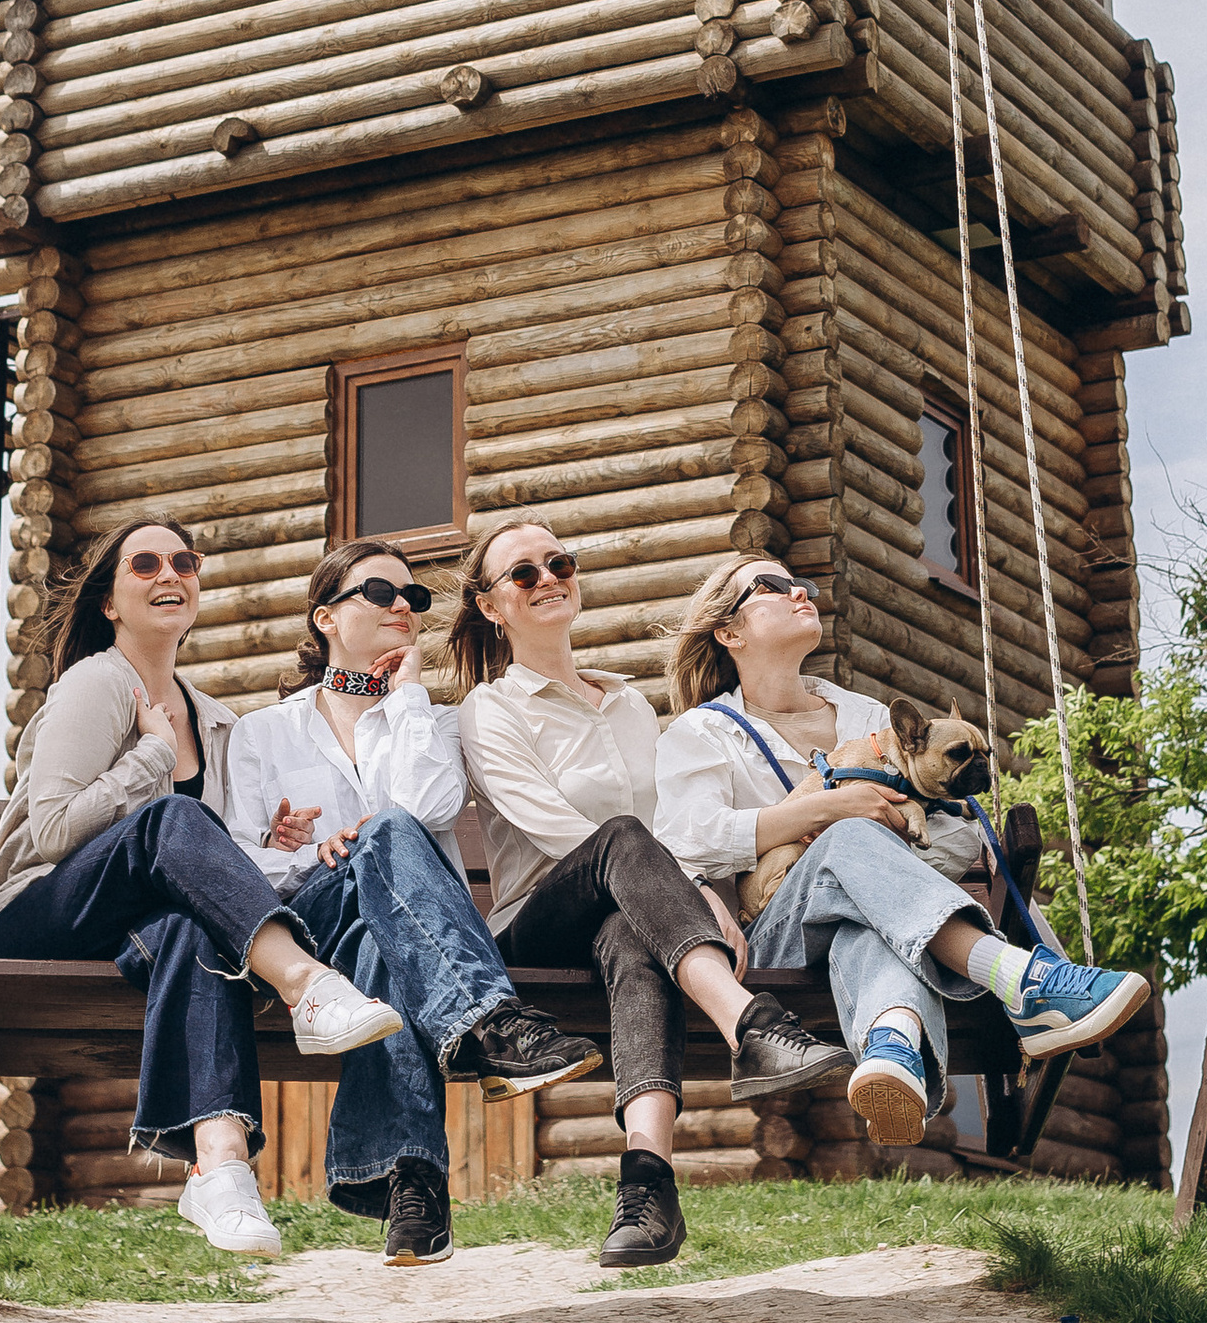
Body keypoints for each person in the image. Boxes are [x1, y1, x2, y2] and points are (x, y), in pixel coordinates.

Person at [0, 511, 403, 1260]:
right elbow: (51, 834)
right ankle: (307, 985)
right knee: (170, 817)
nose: (171, 574)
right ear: (110, 602)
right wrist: (152, 759)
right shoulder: (97, 683)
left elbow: (195, 860)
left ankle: (222, 1169)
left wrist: (261, 848)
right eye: (146, 565)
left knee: (200, 927)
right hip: (42, 910)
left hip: (139, 925)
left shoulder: (216, 719)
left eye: (185, 562)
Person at [653, 553, 1150, 1147]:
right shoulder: (703, 732)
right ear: (729, 632)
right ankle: (1025, 980)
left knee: (871, 917)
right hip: (772, 938)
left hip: (880, 917)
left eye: (803, 583)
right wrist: (826, 810)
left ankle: (894, 1049)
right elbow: (687, 840)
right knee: (851, 836)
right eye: (772, 587)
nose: (800, 592)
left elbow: (949, 823)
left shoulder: (866, 715)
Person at [452, 513, 838, 1268]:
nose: (547, 580)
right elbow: (562, 832)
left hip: (631, 917)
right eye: (522, 573)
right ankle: (750, 1023)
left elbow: (676, 825)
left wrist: (700, 893)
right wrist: (685, 889)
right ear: (492, 607)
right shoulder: (489, 708)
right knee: (622, 837)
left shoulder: (629, 703)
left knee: (635, 936)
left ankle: (647, 1183)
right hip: (538, 923)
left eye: (558, 562)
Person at [224, 543, 602, 1266]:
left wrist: (407, 698)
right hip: (307, 934)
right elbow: (240, 872)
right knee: (382, 849)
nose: (405, 606)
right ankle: (490, 1023)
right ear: (325, 617)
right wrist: (306, 849)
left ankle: (411, 1183)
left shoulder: (430, 718)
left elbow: (426, 807)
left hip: (396, 947)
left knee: (385, 934)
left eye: (415, 598)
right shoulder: (262, 733)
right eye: (380, 591)